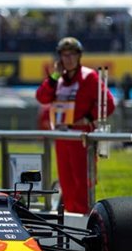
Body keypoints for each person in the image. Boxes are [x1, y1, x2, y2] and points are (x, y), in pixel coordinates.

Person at [35, 37, 115, 214]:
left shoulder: (89, 77)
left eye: (72, 54)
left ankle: (86, 219)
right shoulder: (57, 79)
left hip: (82, 139)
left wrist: (88, 118)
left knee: (83, 183)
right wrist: (54, 76)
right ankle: (71, 217)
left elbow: (109, 103)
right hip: (62, 139)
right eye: (65, 55)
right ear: (60, 58)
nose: (69, 59)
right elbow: (41, 97)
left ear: (79, 56)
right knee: (66, 183)